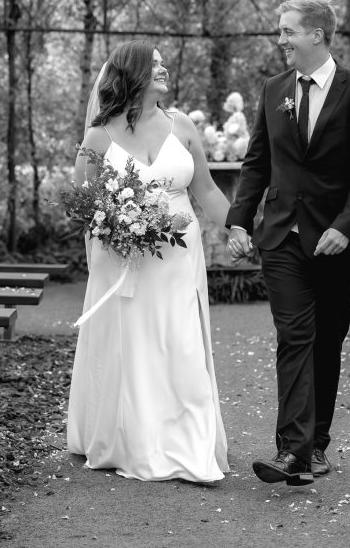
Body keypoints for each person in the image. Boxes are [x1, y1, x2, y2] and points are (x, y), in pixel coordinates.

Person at [226, 0, 350, 486]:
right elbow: (257, 160)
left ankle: (316, 443)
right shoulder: (275, 89)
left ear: (316, 34)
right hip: (281, 235)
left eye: (287, 31)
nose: (281, 40)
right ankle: (291, 451)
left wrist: (345, 226)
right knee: (295, 336)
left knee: (328, 340)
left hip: (335, 240)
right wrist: (239, 220)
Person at [66, 40, 231, 483]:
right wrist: (118, 229)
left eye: (163, 65)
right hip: (123, 261)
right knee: (133, 347)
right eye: (154, 65)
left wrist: (237, 228)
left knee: (180, 343)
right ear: (132, 74)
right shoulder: (99, 135)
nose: (164, 70)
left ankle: (189, 444)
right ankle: (134, 440)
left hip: (178, 258)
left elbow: (208, 191)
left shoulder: (183, 126)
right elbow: (83, 204)